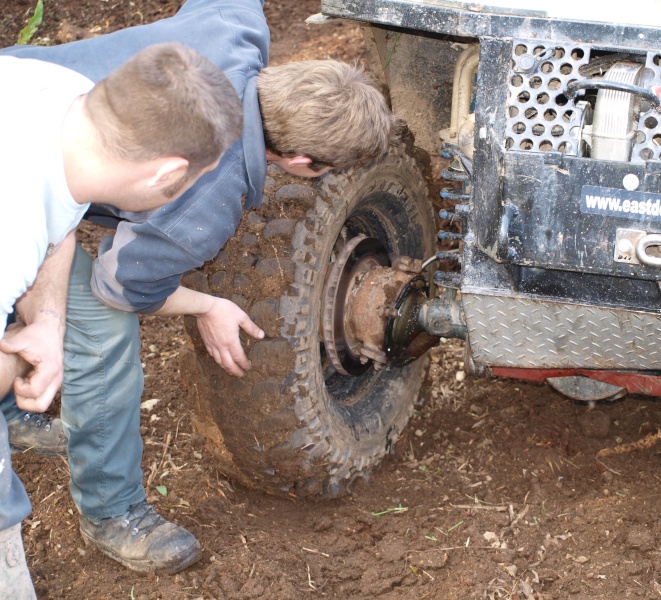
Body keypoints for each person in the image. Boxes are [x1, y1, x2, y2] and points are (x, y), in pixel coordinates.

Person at [0, 0, 397, 576]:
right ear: (305, 162)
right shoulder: (202, 198)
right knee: (105, 335)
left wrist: (45, 320)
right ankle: (114, 510)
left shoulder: (238, 28)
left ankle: (13, 408)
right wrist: (206, 303)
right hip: (35, 168)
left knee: (48, 305)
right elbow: (121, 286)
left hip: (20, 94)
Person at [0, 43, 243, 597]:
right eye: (188, 186)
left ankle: (104, 502)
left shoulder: (65, 100)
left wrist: (47, 323)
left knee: (92, 324)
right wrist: (19, 358)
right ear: (168, 173)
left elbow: (60, 213)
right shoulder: (7, 235)